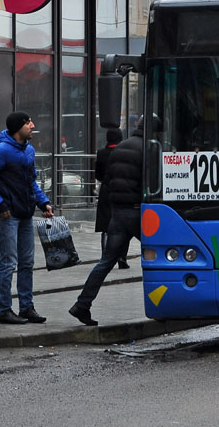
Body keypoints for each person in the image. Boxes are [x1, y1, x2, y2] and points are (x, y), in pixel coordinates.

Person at [70, 118, 147, 326]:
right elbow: (150, 182)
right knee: (161, 254)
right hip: (139, 212)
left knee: (106, 262)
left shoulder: (120, 148)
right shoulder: (149, 148)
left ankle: (82, 304)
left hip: (119, 213)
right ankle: (168, 302)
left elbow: (107, 178)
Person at [0, 111, 53, 324]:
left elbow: (31, 181)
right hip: (9, 215)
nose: (32, 125)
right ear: (18, 128)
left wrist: (43, 202)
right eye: (28, 122)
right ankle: (3, 309)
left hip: (25, 214)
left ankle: (26, 307)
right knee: (9, 262)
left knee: (27, 263)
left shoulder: (29, 150)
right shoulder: (1, 151)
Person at [94, 128, 128, 270]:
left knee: (105, 226)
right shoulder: (124, 153)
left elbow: (98, 175)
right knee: (124, 225)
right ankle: (121, 257)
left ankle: (105, 255)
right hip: (122, 190)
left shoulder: (101, 154)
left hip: (106, 191)